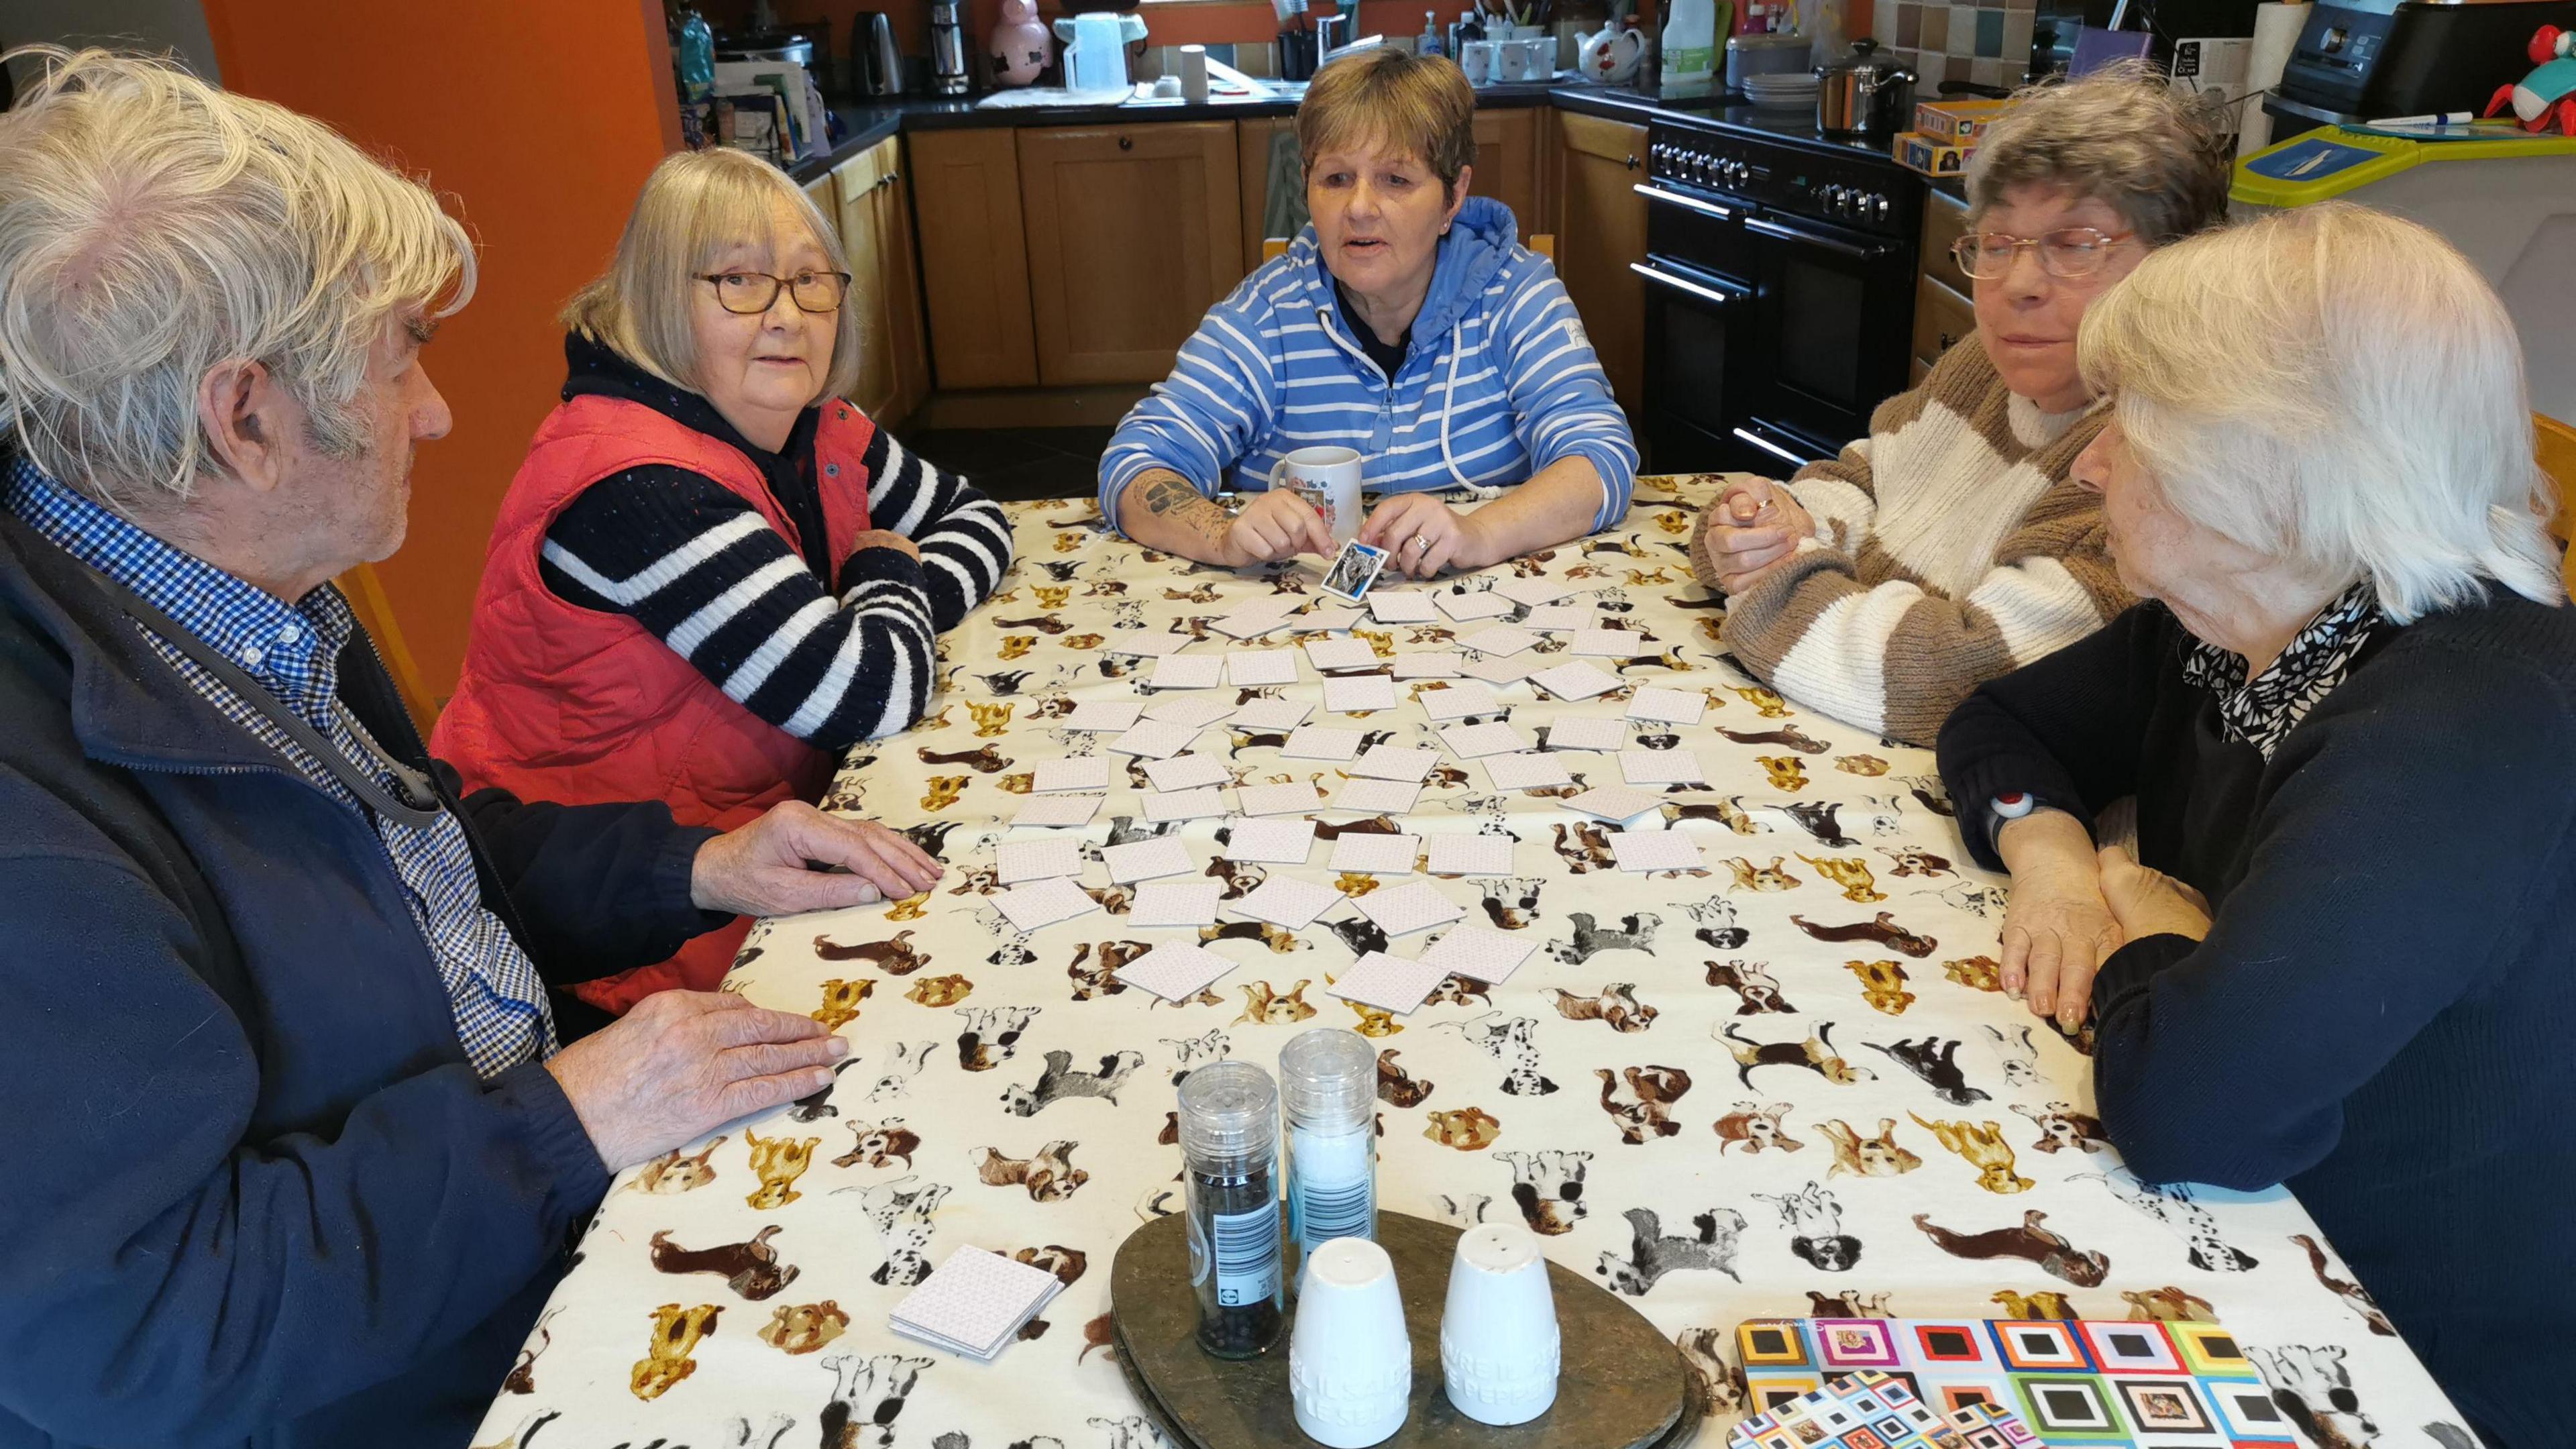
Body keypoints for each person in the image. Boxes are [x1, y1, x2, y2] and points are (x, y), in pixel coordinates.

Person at [0, 49, 941, 1447]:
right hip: (428, 1371)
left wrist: (697, 868)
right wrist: (562, 1126)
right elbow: (137, 1331)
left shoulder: (246, 593)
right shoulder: (35, 831)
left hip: (517, 1188)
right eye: (403, 363)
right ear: (246, 419)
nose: (436, 412)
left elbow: (420, 869)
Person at [1937, 204, 2573, 1447]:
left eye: (2133, 421)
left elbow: (2194, 1112)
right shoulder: (2252, 624)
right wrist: (2063, 870)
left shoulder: (2467, 713)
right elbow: (1997, 727)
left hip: (2420, 1358)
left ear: (2270, 464)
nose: (2089, 464)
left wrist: (2144, 935)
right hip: (2274, 1236)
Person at [435, 146, 1009, 1014]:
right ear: (663, 297)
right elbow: (866, 693)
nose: (787, 315)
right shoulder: (635, 486)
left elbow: (977, 517)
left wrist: (882, 604)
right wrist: (886, 568)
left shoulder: (813, 428)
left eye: (814, 281)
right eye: (740, 281)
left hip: (769, 843)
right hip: (635, 940)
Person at [1692, 68, 2231, 744]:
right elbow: (1863, 481)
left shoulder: (2149, 462)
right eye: (1997, 245)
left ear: (2179, 264)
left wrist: (1770, 578)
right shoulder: (1988, 362)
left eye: (2074, 245)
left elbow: (1956, 677)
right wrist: (1766, 527)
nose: (2019, 284)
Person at [1097, 46, 1637, 578]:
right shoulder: (1267, 314)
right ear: (1307, 187)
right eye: (1335, 179)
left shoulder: (1517, 295)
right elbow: (1134, 465)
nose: (1358, 208)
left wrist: (1480, 533)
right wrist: (1224, 533)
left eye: (1395, 180)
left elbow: (1600, 455)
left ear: (1453, 197)